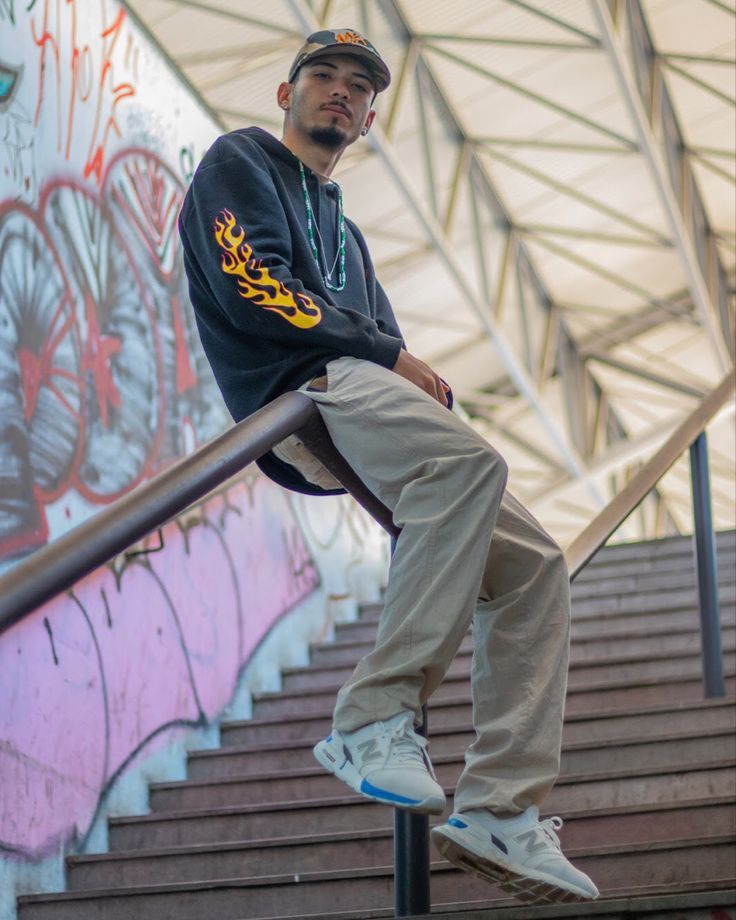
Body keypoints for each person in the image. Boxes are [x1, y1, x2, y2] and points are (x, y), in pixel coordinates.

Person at [178, 28, 599, 906]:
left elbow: (387, 349)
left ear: (370, 118)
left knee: (532, 570)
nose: (339, 91)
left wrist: (396, 364)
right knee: (471, 469)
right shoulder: (241, 159)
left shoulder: (347, 231)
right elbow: (252, 281)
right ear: (283, 93)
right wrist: (390, 356)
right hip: (302, 385)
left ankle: (501, 811)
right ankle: (373, 718)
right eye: (322, 75)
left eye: (357, 86)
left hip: (360, 390)